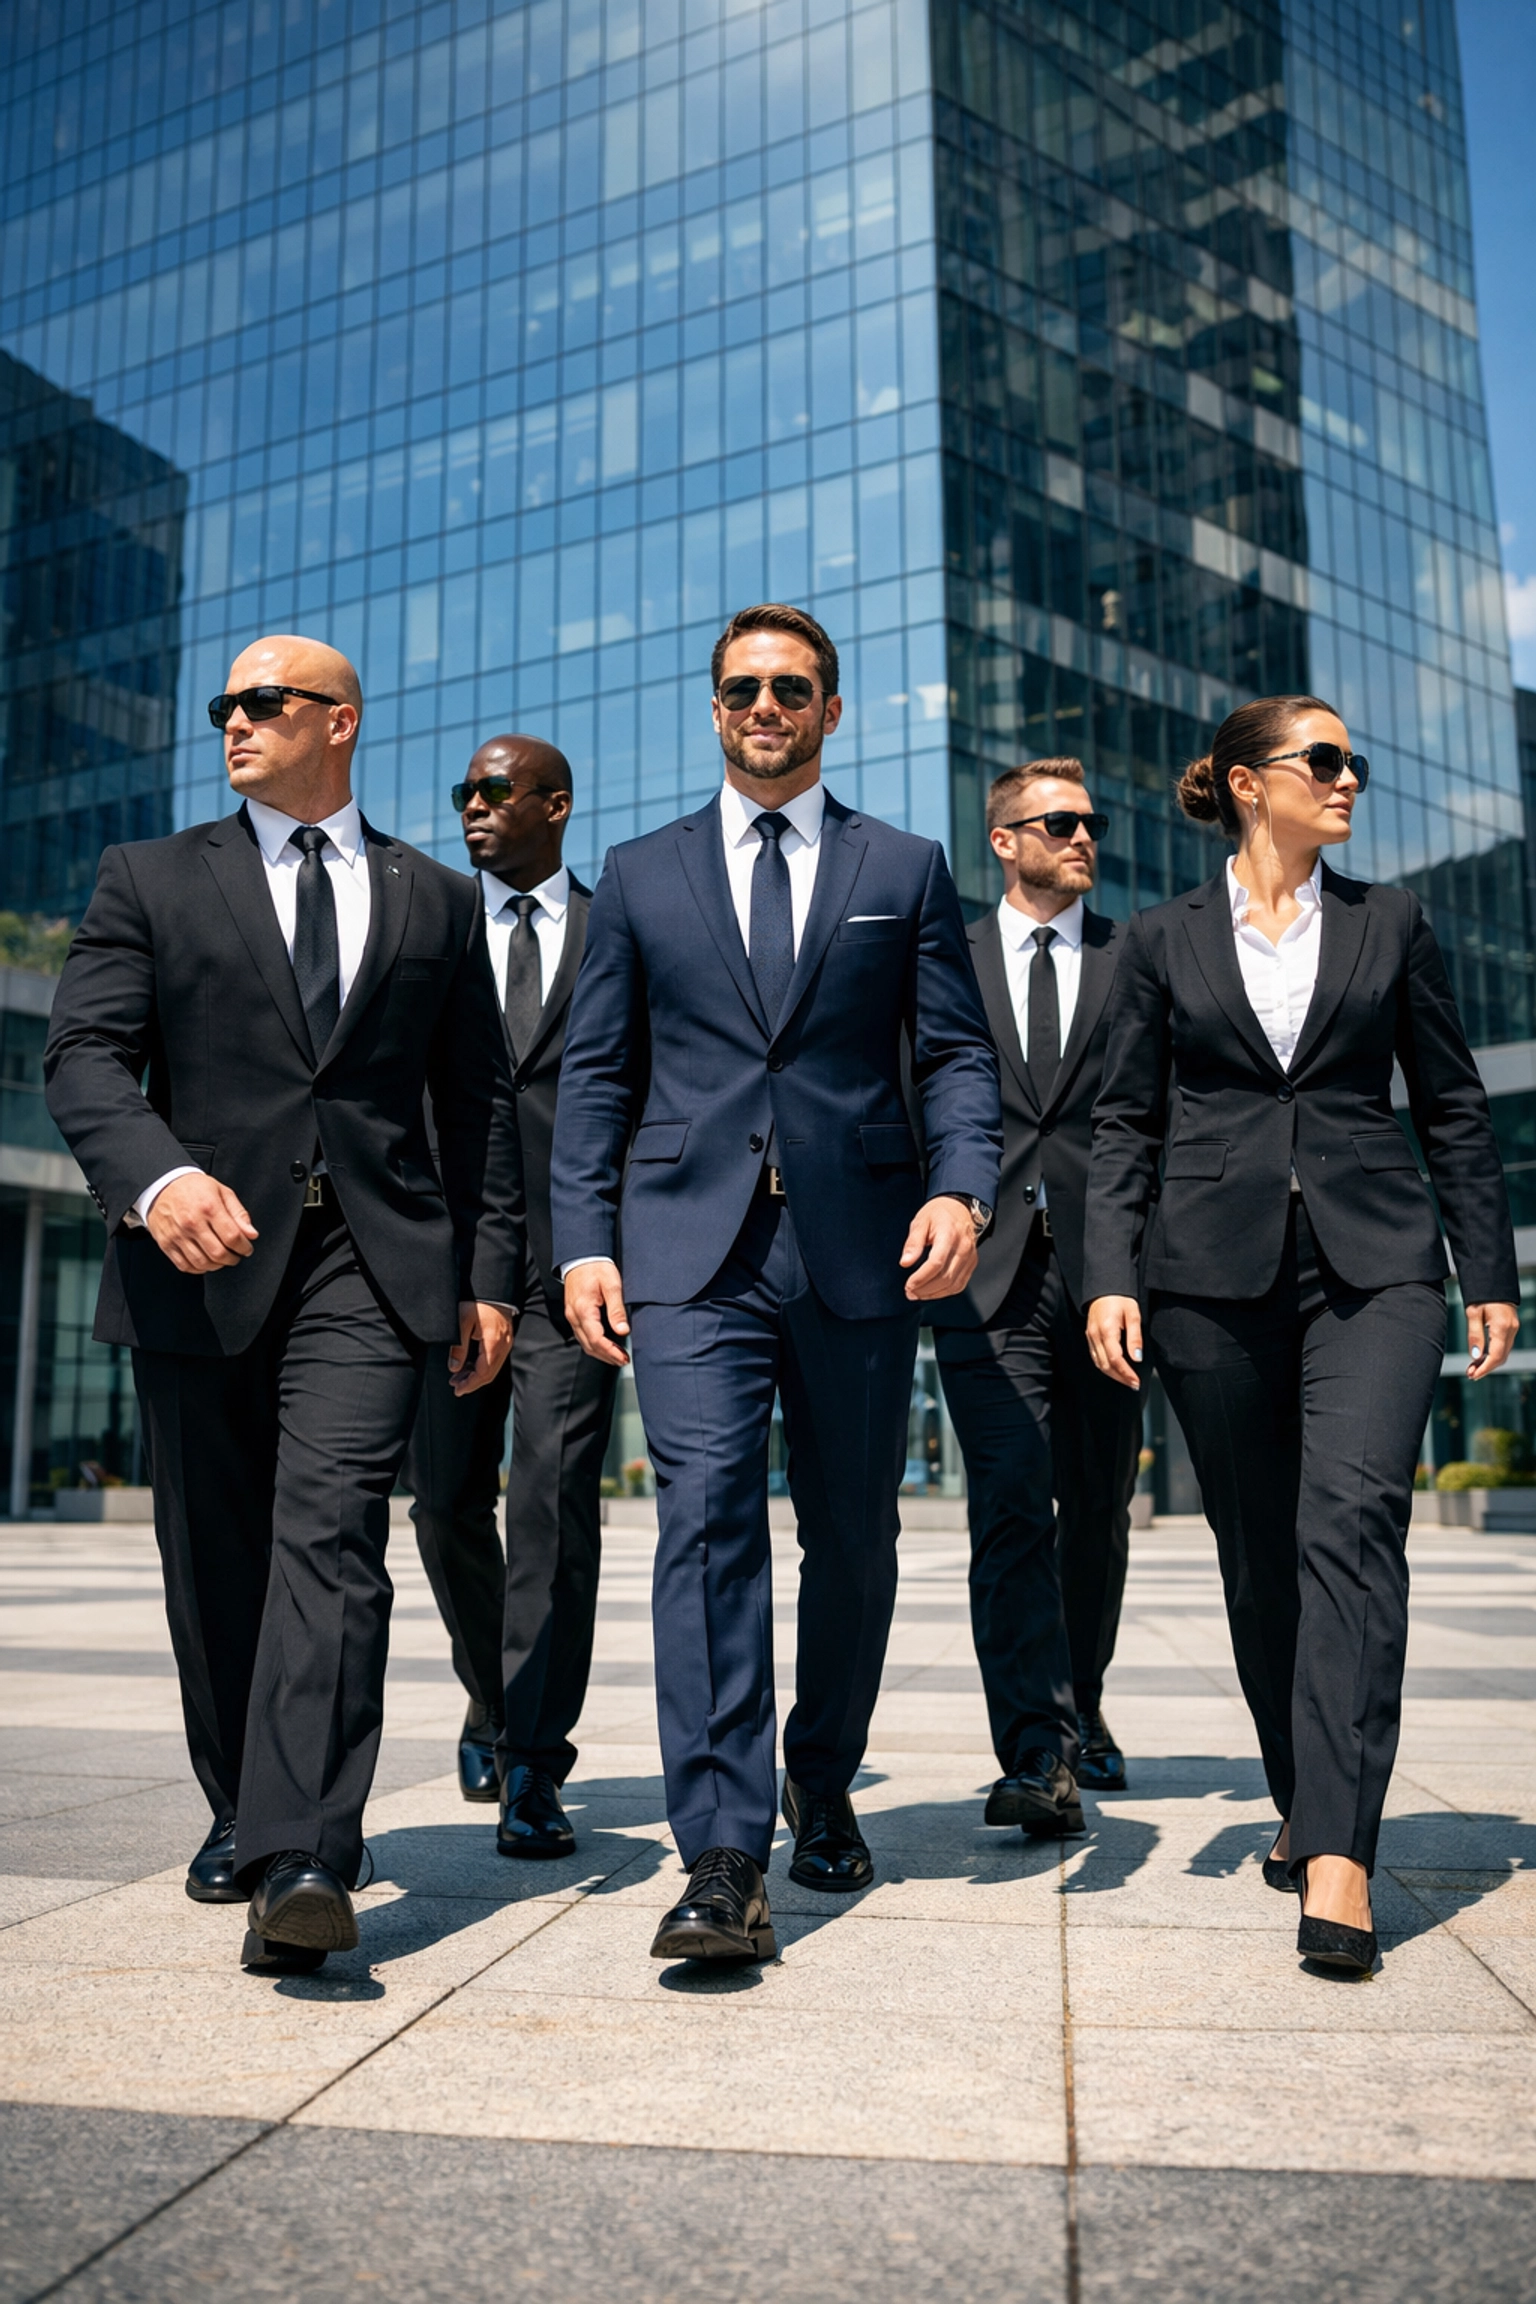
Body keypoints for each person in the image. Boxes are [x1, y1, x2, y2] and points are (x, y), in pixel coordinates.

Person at [44, 637, 523, 1975]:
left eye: (264, 703)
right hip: (196, 1256)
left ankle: (306, 1853)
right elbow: (82, 1059)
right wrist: (156, 1179)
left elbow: (478, 1109)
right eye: (225, 707)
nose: (234, 723)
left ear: (340, 724)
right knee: (218, 1562)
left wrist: (489, 1278)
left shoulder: (433, 899)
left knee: (334, 1541)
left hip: (369, 1267)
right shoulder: (150, 878)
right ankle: (239, 1805)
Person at [552, 603, 1002, 1963]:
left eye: (790, 688)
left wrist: (961, 1185)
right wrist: (583, 1236)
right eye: (742, 687)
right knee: (703, 1524)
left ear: (831, 711)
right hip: (689, 1253)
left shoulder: (905, 868)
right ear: (713, 709)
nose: (765, 706)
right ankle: (723, 1853)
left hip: (864, 1250)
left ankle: (821, 1772)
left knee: (854, 1537)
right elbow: (596, 1074)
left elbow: (957, 1058)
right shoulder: (638, 875)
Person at [1083, 694, 1518, 1977]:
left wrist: (1481, 1265)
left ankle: (1341, 1854)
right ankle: (1301, 1791)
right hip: (1208, 1285)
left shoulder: (1394, 921)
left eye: (1352, 760)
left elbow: (1451, 1104)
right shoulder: (1163, 942)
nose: (1348, 779)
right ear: (1245, 783)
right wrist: (1112, 1275)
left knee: (1353, 1524)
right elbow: (1124, 1125)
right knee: (1260, 1555)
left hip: (1376, 1269)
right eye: (1323, 761)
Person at [402, 734, 620, 1860]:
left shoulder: (613, 926)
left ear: (556, 805)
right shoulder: (429, 928)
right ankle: (492, 1694)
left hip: (579, 1268)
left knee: (551, 1501)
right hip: (443, 1268)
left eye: (494, 791)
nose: (474, 809)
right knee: (443, 1502)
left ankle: (536, 1762)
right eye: (464, 792)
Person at [927, 759, 1143, 1837]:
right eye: (1060, 822)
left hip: (1111, 1276)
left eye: (1091, 823)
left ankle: (1083, 1703)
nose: (1084, 836)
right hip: (984, 1268)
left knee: (1096, 1509)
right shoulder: (947, 959)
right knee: (1010, 1501)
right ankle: (1035, 1750)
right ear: (1003, 840)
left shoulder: (1133, 955)